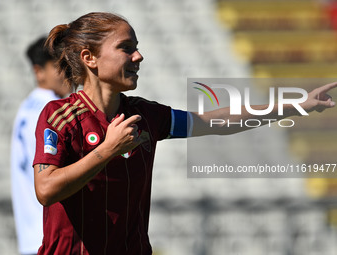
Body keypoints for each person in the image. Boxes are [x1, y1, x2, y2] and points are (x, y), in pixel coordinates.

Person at [32, 12, 337, 255]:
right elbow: (46, 190)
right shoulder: (60, 117)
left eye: (136, 48)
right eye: (126, 48)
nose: (138, 56)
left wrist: (298, 105)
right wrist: (106, 150)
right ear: (90, 58)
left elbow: (216, 120)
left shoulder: (145, 115)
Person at [10, 36, 71, 255]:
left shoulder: (27, 106)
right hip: (51, 238)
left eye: (67, 64)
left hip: (32, 236)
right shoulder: (50, 110)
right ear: (39, 71)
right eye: (58, 66)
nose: (66, 72)